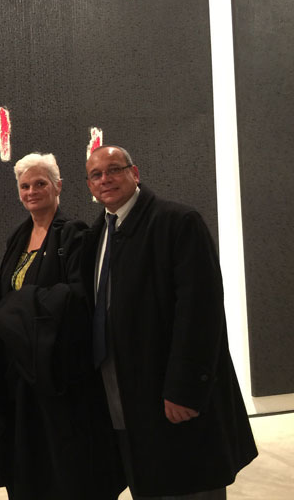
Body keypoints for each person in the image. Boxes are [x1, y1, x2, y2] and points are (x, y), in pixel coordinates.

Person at [81, 145, 257, 499]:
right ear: (89, 186)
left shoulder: (178, 222)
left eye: (114, 169)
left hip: (173, 395)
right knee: (150, 483)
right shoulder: (97, 234)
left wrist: (184, 389)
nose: (105, 179)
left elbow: (200, 313)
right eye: (96, 175)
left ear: (135, 173)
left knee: (190, 484)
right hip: (126, 395)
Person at [0, 152, 124, 499]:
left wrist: (17, 308)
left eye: (40, 183)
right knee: (26, 464)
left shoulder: (73, 234)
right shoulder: (19, 236)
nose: (32, 191)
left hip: (55, 372)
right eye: (25, 186)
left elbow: (77, 296)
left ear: (58, 186)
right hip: (18, 371)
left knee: (62, 466)